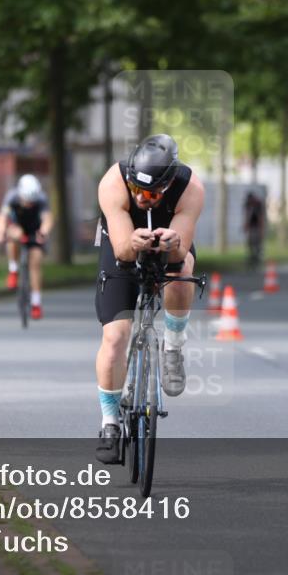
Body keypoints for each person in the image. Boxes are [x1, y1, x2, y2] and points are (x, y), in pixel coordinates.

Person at [93, 134, 205, 463]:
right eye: (137, 190)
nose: (143, 198)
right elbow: (122, 251)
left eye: (152, 193)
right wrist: (134, 242)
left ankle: (173, 347)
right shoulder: (113, 182)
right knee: (115, 336)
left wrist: (172, 242)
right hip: (123, 239)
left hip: (171, 240)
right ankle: (110, 422)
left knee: (182, 271)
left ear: (168, 186)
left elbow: (181, 249)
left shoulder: (191, 188)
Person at [0, 174, 52, 320]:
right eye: (26, 202)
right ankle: (13, 269)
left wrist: (43, 232)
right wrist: (0, 232)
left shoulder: (41, 198)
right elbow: (2, 217)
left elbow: (47, 219)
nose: (29, 205)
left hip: (34, 230)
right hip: (17, 227)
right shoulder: (12, 197)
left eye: (32, 203)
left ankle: (36, 303)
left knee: (36, 261)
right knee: (13, 235)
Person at [242, 191, 265, 268]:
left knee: (257, 242)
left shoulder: (258, 204)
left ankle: (258, 257)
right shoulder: (247, 204)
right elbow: (247, 215)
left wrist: (261, 230)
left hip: (257, 227)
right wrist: (246, 225)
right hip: (251, 227)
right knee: (250, 242)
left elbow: (260, 218)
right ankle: (252, 256)